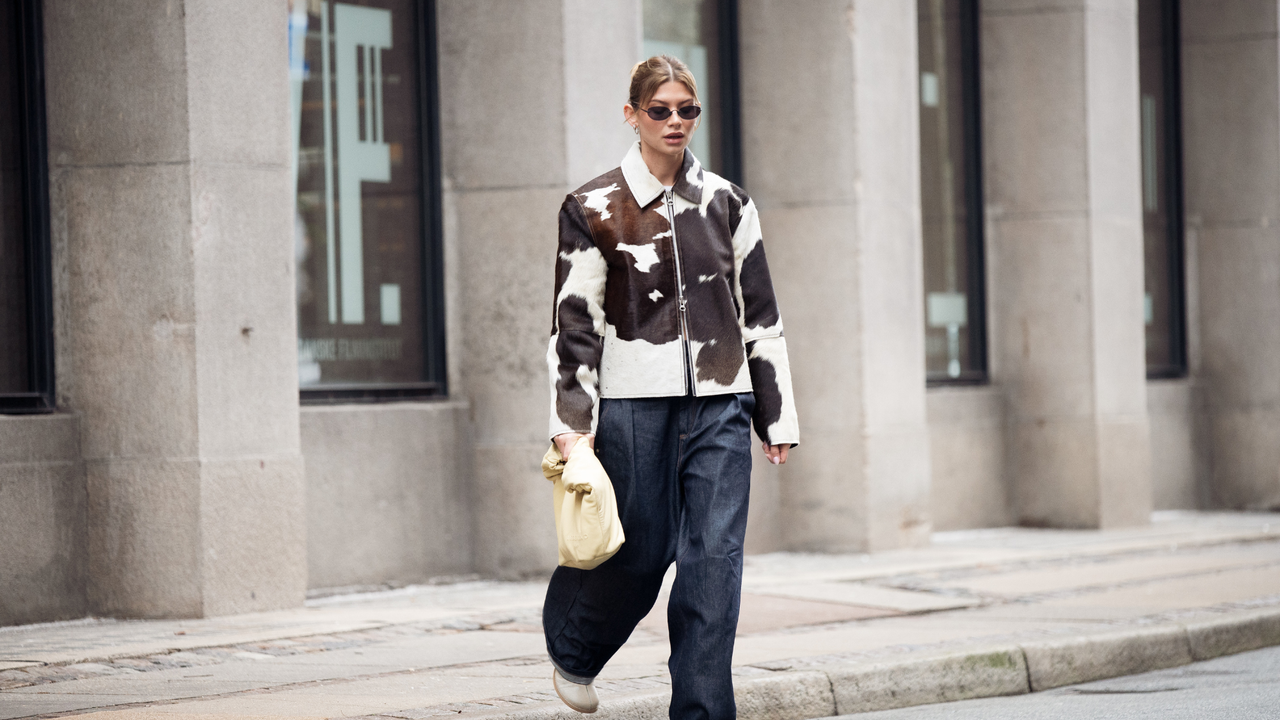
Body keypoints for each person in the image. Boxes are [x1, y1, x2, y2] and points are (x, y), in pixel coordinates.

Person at [542, 54, 799, 720]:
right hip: (633, 406)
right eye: (661, 110)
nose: (676, 121)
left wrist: (774, 412)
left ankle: (703, 711)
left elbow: (760, 313)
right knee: (640, 552)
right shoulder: (592, 206)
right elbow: (575, 324)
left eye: (688, 109)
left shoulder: (728, 204)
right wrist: (574, 427)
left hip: (721, 403)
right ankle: (574, 644)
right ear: (632, 115)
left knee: (714, 565)